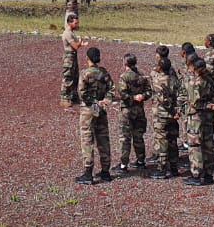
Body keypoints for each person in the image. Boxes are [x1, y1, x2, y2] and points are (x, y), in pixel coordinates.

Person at [75, 47, 113, 184]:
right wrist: (104, 101)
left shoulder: (85, 73)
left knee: (87, 139)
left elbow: (81, 93)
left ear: (87, 58)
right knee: (103, 139)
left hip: (88, 110)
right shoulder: (104, 73)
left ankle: (88, 172)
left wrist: (93, 102)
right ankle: (105, 171)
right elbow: (111, 90)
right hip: (101, 109)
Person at [182, 55, 214, 186]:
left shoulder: (194, 82)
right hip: (208, 116)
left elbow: (194, 102)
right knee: (207, 145)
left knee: (195, 146)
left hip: (196, 117)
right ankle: (208, 174)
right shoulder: (209, 79)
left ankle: (196, 174)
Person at [115, 53, 151, 172]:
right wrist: (142, 96)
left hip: (127, 111)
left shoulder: (124, 77)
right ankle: (141, 161)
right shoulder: (142, 75)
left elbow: (123, 94)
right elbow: (149, 91)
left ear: (125, 63)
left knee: (125, 138)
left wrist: (133, 98)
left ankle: (123, 165)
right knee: (138, 136)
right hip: (139, 110)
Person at [148, 55, 182, 179]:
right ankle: (174, 167)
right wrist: (176, 111)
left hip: (162, 115)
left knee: (162, 141)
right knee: (173, 140)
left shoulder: (158, 81)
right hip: (173, 116)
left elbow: (163, 100)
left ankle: (161, 168)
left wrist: (171, 110)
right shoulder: (174, 80)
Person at [60, 12, 84, 107]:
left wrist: (80, 43)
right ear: (70, 23)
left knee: (75, 77)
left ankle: (73, 97)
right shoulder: (67, 33)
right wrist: (79, 42)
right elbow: (75, 46)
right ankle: (64, 98)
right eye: (75, 23)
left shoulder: (72, 33)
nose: (77, 25)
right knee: (67, 77)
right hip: (69, 58)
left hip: (73, 56)